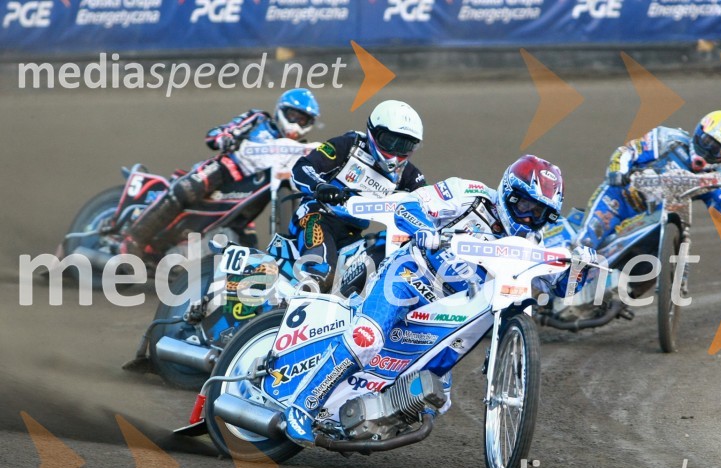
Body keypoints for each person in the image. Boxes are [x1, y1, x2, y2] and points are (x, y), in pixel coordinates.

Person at [281, 155, 597, 447]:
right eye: (525, 206)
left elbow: (557, 288)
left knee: (436, 396)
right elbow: (409, 204)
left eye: (539, 213)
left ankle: (365, 416)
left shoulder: (531, 242)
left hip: (448, 310)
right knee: (367, 339)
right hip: (409, 276)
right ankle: (302, 406)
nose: (529, 218)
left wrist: (579, 268)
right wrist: (424, 228)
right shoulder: (469, 193)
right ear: (508, 194)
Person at [120, 88, 321, 257]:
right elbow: (219, 132)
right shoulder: (259, 119)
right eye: (293, 116)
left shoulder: (301, 150)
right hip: (227, 171)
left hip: (251, 197)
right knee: (188, 188)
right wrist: (226, 137)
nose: (296, 123)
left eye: (303, 120)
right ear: (281, 111)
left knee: (248, 242)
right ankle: (134, 238)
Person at [289, 99, 427, 291]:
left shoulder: (410, 175)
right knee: (322, 275)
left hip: (353, 233)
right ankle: (289, 305)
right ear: (373, 132)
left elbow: (429, 206)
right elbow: (302, 167)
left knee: (393, 250)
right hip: (317, 216)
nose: (395, 153)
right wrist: (320, 186)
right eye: (390, 141)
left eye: (404, 145)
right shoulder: (348, 145)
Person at [575, 110, 721, 249]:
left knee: (661, 251)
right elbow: (628, 151)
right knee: (586, 243)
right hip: (617, 200)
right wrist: (617, 171)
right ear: (699, 132)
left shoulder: (717, 177)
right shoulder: (666, 139)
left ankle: (625, 288)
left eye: (717, 149)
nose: (708, 150)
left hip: (655, 218)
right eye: (707, 141)